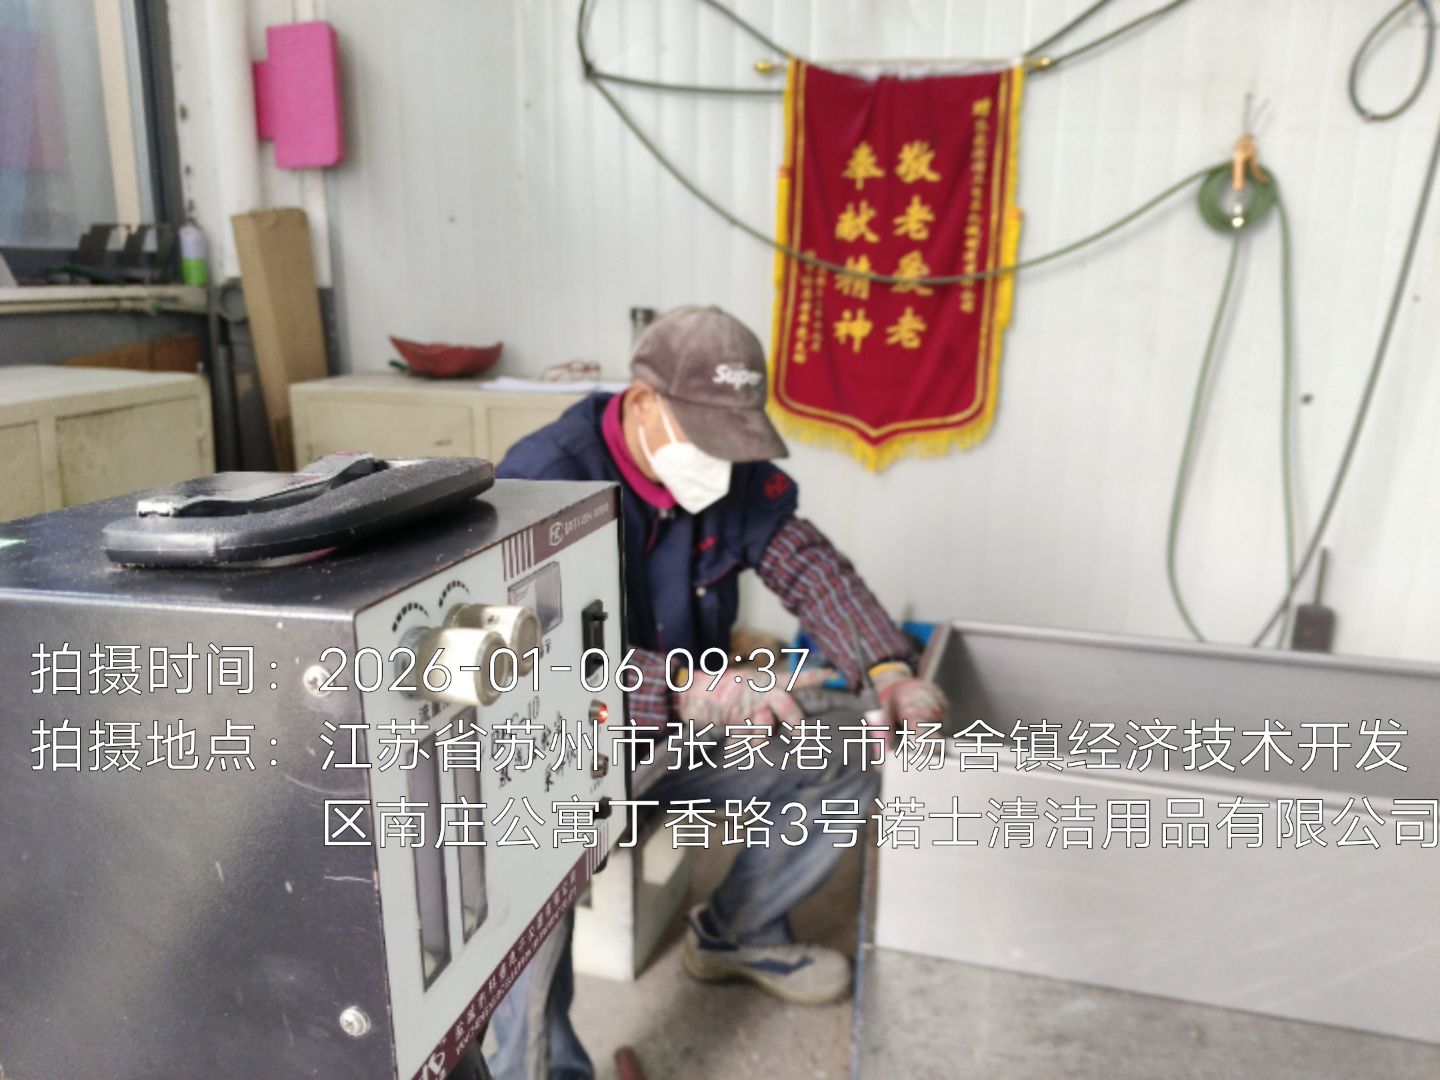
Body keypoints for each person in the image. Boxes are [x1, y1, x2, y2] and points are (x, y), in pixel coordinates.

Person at [479, 305, 948, 1080]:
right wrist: (678, 690)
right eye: (705, 438)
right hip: (559, 758)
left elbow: (809, 567)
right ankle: (543, 1070)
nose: (721, 467)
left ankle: (737, 931)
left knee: (854, 742)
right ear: (641, 404)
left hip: (685, 738)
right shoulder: (542, 478)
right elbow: (518, 670)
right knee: (513, 880)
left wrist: (889, 671)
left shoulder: (732, 475)